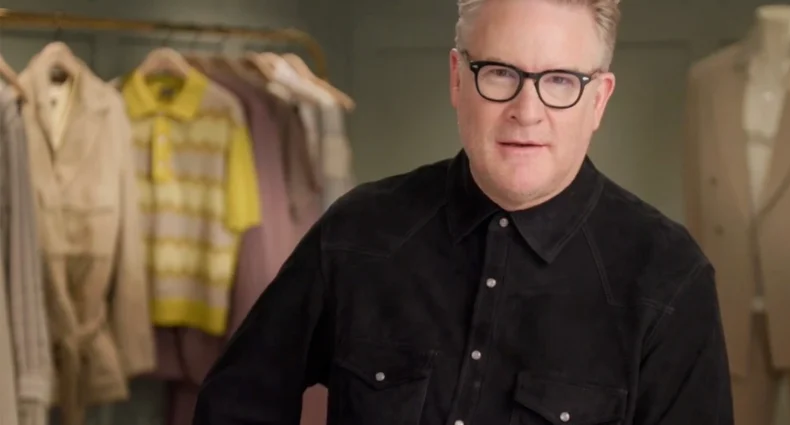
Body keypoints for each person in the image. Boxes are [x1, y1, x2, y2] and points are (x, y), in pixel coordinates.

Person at [191, 0, 733, 423]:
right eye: (500, 73)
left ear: (599, 100)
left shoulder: (668, 278)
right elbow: (235, 405)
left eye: (560, 81)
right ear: (457, 77)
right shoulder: (356, 232)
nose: (527, 111)